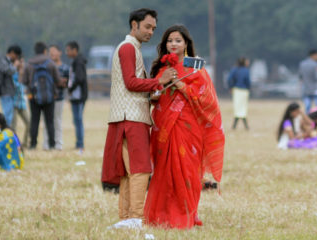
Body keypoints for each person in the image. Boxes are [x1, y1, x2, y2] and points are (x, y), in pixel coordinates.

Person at [144, 25, 225, 229]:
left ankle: (185, 215)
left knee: (187, 171)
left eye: (178, 40)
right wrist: (157, 91)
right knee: (163, 172)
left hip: (187, 127)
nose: (173, 44)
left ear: (186, 44)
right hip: (163, 128)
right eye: (170, 41)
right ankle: (161, 215)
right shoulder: (161, 68)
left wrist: (180, 85)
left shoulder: (195, 67)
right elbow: (154, 97)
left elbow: (206, 99)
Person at [102, 8, 175, 229]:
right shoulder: (127, 48)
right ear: (134, 25)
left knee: (128, 171)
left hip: (130, 115)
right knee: (140, 168)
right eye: (147, 27)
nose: (151, 32)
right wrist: (159, 81)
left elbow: (133, 85)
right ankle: (135, 217)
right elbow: (130, 82)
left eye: (153, 28)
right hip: (130, 117)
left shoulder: (132, 48)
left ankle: (126, 218)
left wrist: (153, 93)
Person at [22, 42, 61, 150]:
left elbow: (24, 80)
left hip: (33, 96)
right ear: (45, 51)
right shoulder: (50, 63)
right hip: (50, 97)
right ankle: (52, 144)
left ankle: (33, 144)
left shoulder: (29, 64)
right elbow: (57, 80)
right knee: (50, 121)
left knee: (34, 120)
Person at [42, 45, 69, 150]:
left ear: (60, 52)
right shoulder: (46, 66)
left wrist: (60, 82)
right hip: (48, 98)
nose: (52, 53)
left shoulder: (65, 68)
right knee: (46, 121)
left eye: (54, 51)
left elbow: (67, 83)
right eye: (50, 52)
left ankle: (58, 143)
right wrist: (59, 81)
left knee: (57, 121)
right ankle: (46, 143)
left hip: (59, 98)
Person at [66, 41, 88, 153]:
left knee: (78, 120)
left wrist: (70, 89)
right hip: (76, 96)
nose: (67, 52)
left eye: (68, 50)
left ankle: (80, 143)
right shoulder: (76, 61)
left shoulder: (78, 62)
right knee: (76, 120)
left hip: (78, 96)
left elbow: (79, 78)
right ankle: (78, 142)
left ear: (75, 50)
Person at [0, 45, 22, 126]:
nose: (16, 58)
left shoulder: (7, 61)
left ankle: (7, 131)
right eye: (16, 56)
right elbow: (8, 71)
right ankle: (6, 131)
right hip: (5, 91)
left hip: (10, 92)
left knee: (10, 115)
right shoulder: (2, 60)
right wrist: (15, 66)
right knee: (7, 115)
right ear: (12, 53)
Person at [228, 57, 251, 130]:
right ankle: (245, 126)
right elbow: (248, 82)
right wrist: (248, 88)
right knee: (243, 108)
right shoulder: (246, 71)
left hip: (236, 90)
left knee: (237, 107)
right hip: (244, 91)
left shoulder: (234, 70)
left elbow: (229, 79)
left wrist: (231, 87)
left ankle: (235, 126)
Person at [11, 59, 29, 148]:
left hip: (22, 102)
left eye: (23, 62)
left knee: (29, 123)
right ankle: (15, 144)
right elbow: (16, 86)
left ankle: (25, 143)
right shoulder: (11, 73)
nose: (21, 64)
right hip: (13, 102)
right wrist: (20, 74)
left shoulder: (24, 73)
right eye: (19, 61)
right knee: (13, 125)